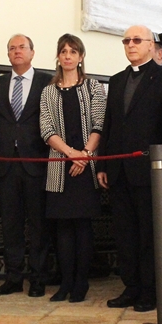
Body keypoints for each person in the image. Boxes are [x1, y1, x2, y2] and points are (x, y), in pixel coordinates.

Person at [98, 25, 162, 311]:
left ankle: (151, 291)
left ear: (151, 45)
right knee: (125, 234)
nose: (130, 44)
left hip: (151, 171)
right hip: (119, 169)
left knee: (150, 234)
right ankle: (131, 287)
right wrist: (103, 163)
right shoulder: (118, 79)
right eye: (127, 41)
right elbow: (110, 124)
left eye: (136, 40)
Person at [39, 34, 106, 302]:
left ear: (81, 57)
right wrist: (70, 154)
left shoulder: (93, 87)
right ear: (58, 56)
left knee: (82, 227)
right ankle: (65, 282)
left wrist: (85, 155)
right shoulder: (48, 90)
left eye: (73, 51)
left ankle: (81, 283)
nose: (67, 55)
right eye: (63, 51)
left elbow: (100, 123)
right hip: (60, 168)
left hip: (86, 168)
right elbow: (46, 128)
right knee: (62, 228)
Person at [0, 34, 51, 297]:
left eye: (22, 47)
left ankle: (38, 278)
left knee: (38, 225)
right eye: (12, 48)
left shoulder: (47, 82)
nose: (17, 51)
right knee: (10, 223)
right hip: (6, 164)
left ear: (32, 53)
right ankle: (13, 278)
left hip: (36, 163)